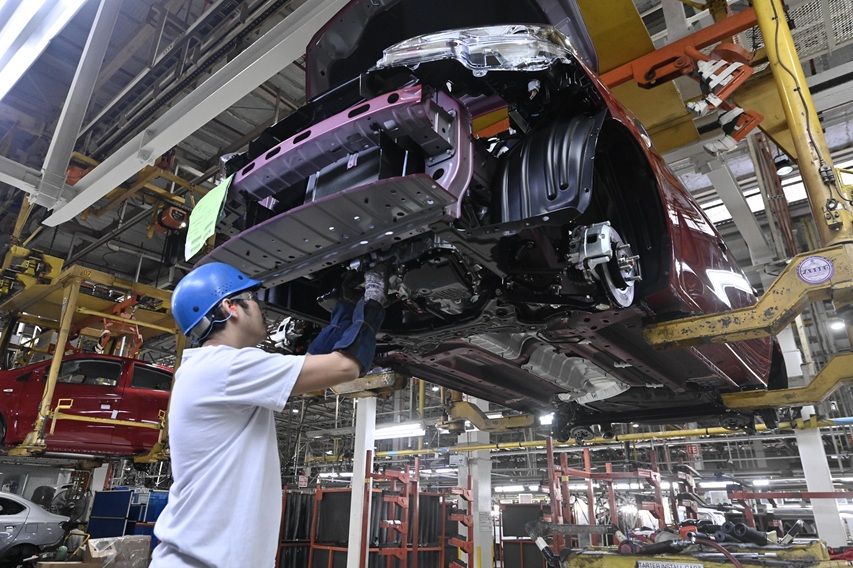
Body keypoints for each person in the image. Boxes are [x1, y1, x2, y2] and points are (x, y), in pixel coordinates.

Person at [150, 261, 386, 568]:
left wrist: (345, 305)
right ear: (229, 307)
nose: (262, 309)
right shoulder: (224, 368)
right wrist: (375, 298)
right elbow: (345, 366)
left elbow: (311, 364)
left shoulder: (210, 369)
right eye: (253, 299)